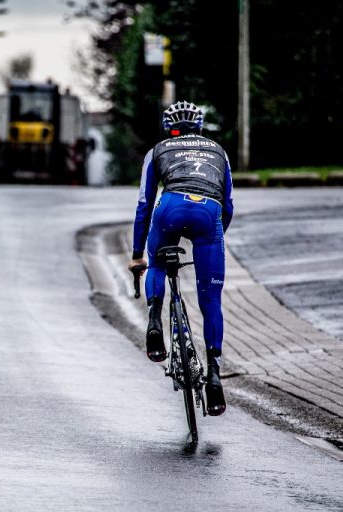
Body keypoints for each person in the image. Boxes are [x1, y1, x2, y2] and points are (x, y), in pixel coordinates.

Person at [127, 100, 233, 416]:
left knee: (157, 264)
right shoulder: (219, 151)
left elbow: (144, 203)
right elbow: (228, 204)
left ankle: (154, 323)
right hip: (209, 213)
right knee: (211, 301)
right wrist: (213, 237)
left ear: (168, 128)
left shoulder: (158, 150)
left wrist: (137, 255)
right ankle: (214, 377)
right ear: (199, 127)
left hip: (170, 208)